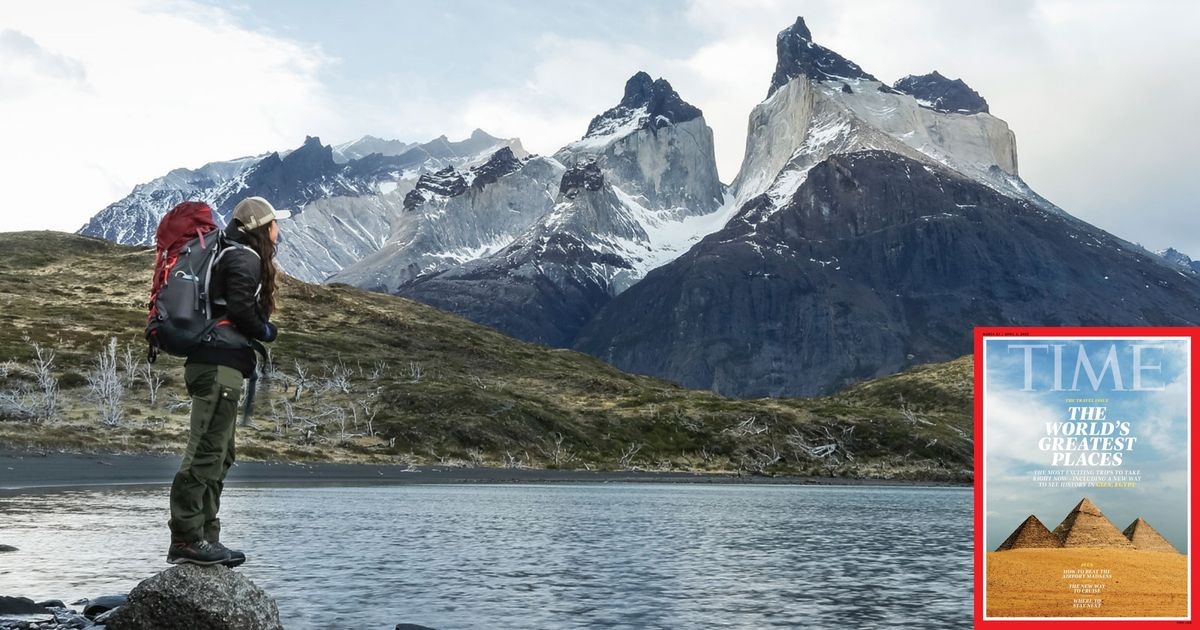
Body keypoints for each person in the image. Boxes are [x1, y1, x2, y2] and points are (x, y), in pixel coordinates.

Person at [166, 196, 290, 566]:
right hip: (218, 368)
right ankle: (188, 538)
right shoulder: (244, 258)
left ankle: (206, 537)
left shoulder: (231, 254)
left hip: (219, 367)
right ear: (260, 229)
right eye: (274, 224)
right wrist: (265, 330)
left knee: (220, 453)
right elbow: (239, 309)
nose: (278, 231)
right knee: (207, 451)